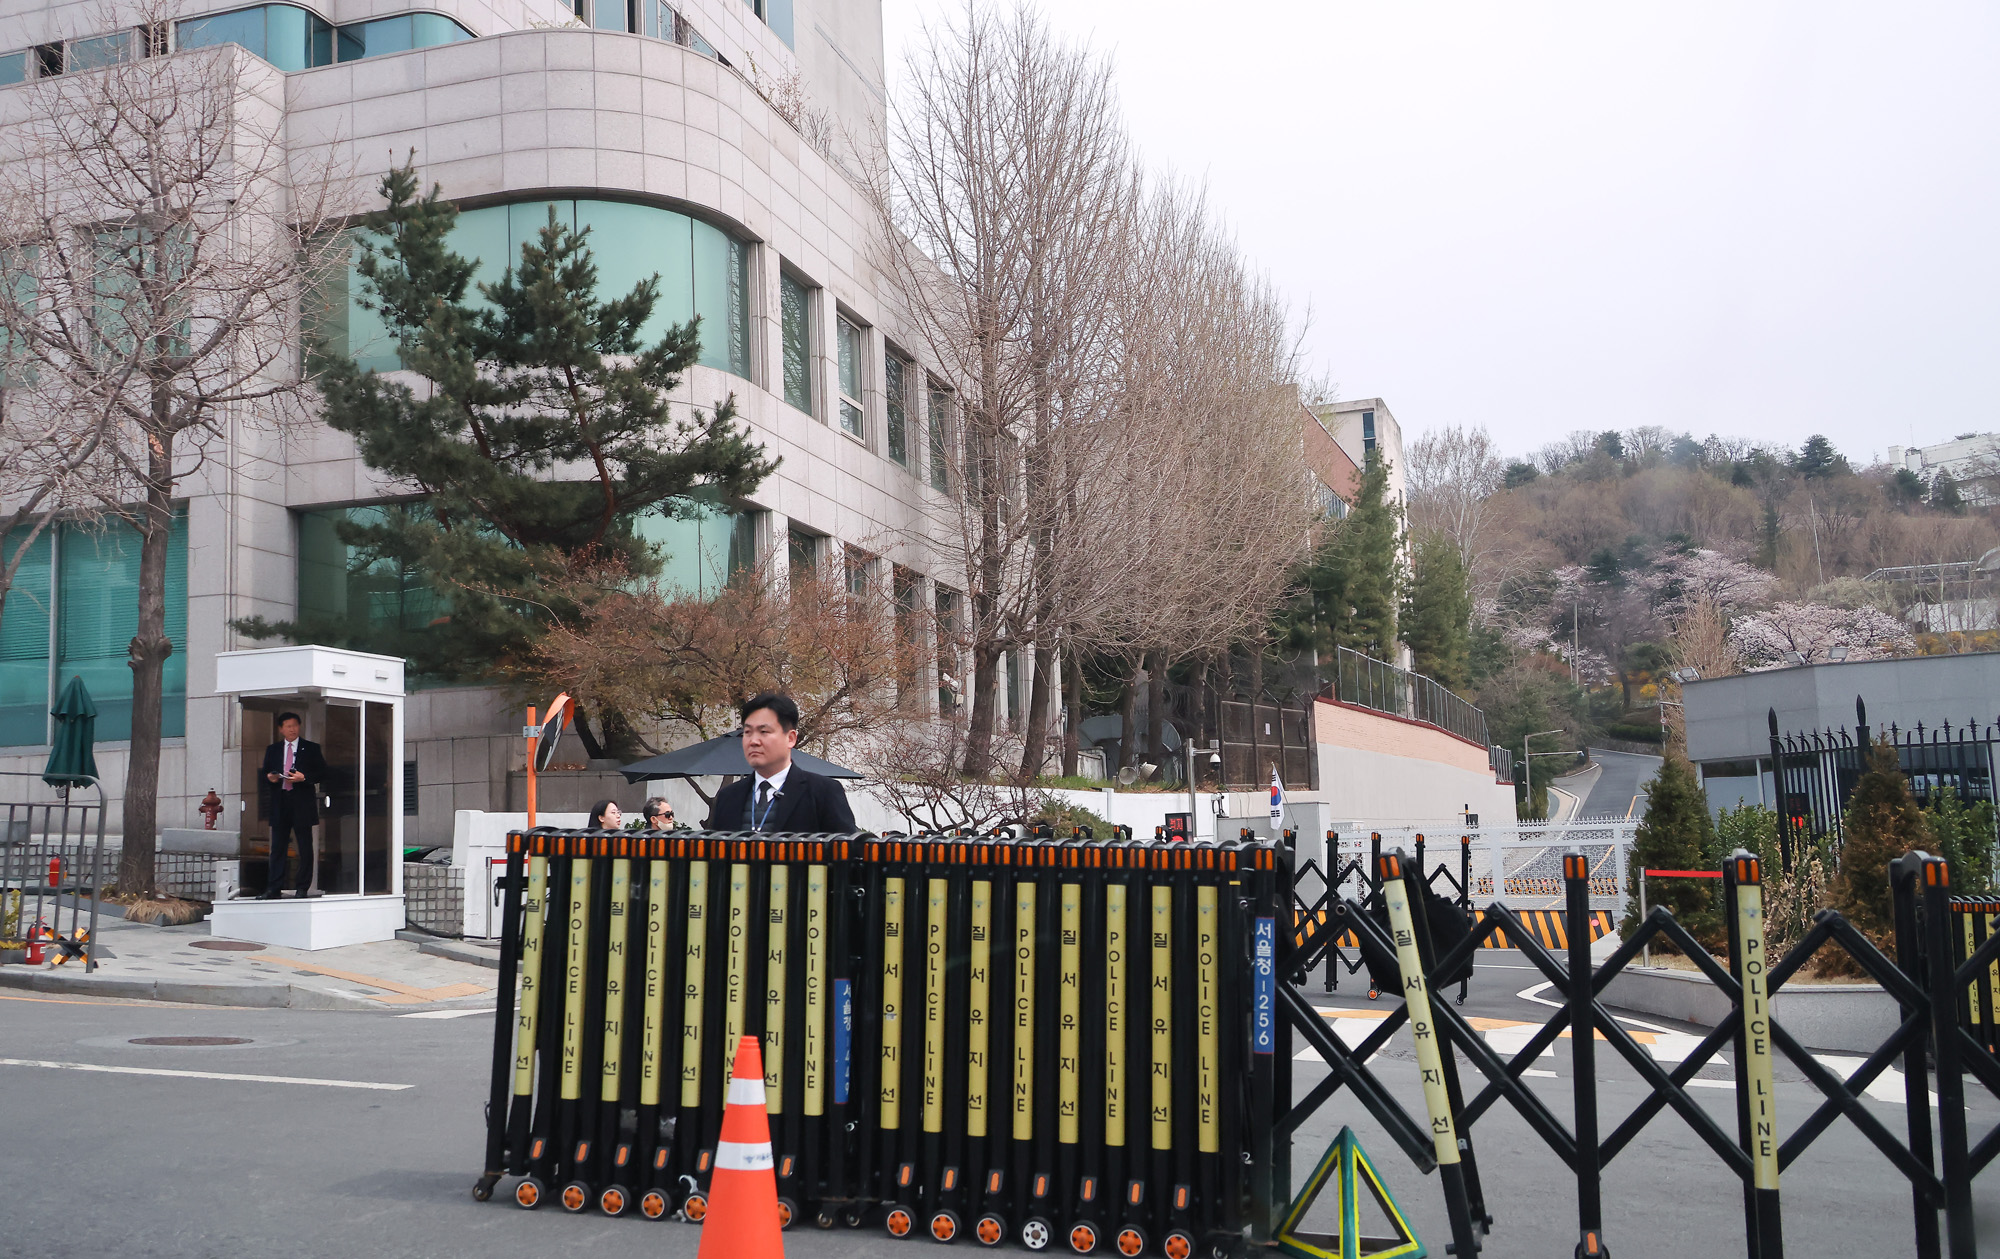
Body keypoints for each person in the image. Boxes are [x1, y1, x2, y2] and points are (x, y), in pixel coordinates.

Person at [704, 692, 856, 833]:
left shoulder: (823, 793)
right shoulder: (728, 797)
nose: (753, 741)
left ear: (790, 738)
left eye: (764, 732)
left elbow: (846, 853)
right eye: (747, 732)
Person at [259, 712, 327, 898]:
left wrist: (304, 778)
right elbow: (264, 774)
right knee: (278, 848)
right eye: (288, 726)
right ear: (281, 729)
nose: (292, 729)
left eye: (295, 725)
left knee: (304, 847)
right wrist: (270, 778)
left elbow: (322, 772)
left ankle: (302, 887)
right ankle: (274, 888)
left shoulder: (311, 748)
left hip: (301, 803)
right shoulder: (273, 750)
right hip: (280, 801)